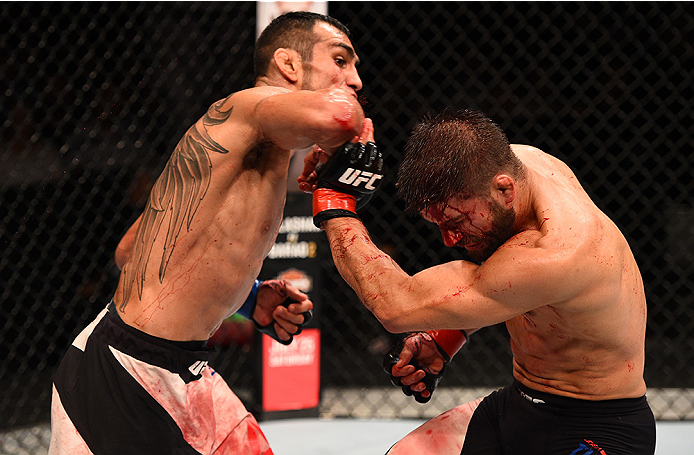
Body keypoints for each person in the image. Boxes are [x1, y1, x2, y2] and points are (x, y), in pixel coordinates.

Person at [50, 11, 365, 455]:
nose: (354, 79)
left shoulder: (258, 155)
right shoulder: (245, 107)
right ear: (289, 66)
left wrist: (251, 296)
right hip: (122, 370)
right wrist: (350, 138)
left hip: (180, 368)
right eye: (340, 60)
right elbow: (344, 119)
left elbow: (128, 251)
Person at [300, 108, 656, 454]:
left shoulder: (556, 252)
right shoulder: (520, 163)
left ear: (505, 190)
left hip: (601, 427)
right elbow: (512, 288)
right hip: (520, 405)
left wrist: (335, 204)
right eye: (437, 223)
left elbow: (395, 305)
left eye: (455, 221)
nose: (448, 240)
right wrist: (447, 335)